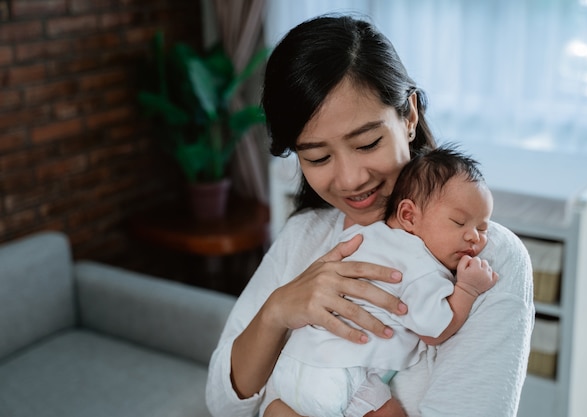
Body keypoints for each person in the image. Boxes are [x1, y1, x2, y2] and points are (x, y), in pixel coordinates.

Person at [206, 13, 534, 417]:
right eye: (318, 156)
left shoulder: (485, 259)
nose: (350, 179)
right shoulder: (305, 233)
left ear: (409, 117)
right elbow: (224, 404)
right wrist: (277, 311)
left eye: (367, 143)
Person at [267, 146, 499, 417]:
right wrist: (468, 289)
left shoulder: (364, 235)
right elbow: (434, 331)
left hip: (293, 360)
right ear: (409, 216)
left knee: (280, 410)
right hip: (344, 376)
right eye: (459, 223)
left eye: (483, 228)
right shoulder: (421, 267)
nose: (475, 237)